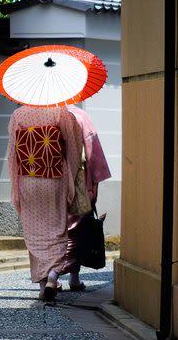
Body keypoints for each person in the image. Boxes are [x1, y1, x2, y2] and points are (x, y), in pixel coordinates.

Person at [6, 105, 84, 301]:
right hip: (54, 177)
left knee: (34, 231)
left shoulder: (18, 114)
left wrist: (15, 183)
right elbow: (74, 148)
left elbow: (13, 154)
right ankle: (52, 276)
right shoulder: (60, 112)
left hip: (27, 178)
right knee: (57, 227)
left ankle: (43, 287)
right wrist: (71, 175)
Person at [65, 105, 112, 291]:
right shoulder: (80, 116)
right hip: (78, 179)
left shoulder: (42, 116)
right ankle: (73, 277)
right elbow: (94, 152)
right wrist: (95, 186)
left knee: (53, 230)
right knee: (76, 228)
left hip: (48, 180)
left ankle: (49, 277)